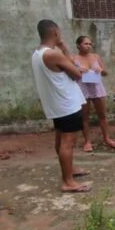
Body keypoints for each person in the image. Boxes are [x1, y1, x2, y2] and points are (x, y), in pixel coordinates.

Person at [31, 20, 91, 193]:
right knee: (68, 142)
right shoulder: (52, 54)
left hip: (57, 104)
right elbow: (77, 74)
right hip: (66, 105)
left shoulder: (37, 53)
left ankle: (69, 171)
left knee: (61, 139)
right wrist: (64, 48)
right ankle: (68, 181)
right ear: (55, 33)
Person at [71, 35, 115, 152]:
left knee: (102, 115)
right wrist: (78, 70)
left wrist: (101, 70)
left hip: (97, 88)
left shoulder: (96, 57)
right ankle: (87, 141)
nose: (88, 46)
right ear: (78, 45)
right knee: (84, 117)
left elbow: (106, 73)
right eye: (85, 44)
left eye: (90, 44)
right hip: (83, 89)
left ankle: (107, 138)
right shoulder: (73, 58)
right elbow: (69, 75)